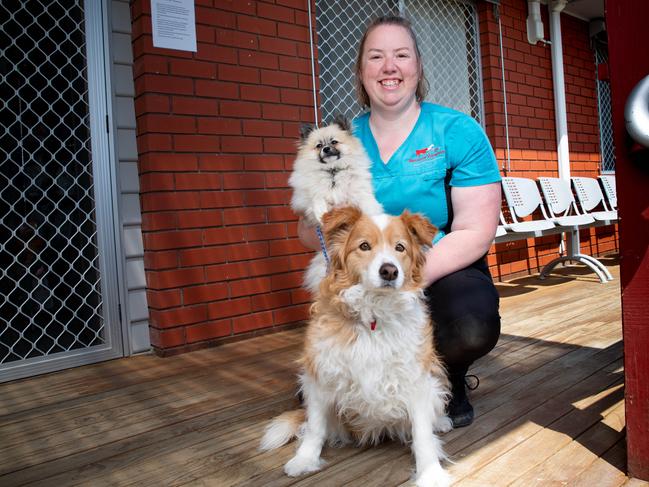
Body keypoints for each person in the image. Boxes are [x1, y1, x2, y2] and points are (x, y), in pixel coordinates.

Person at [297, 15, 502, 428]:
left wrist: (406, 281)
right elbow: (309, 234)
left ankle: (446, 379)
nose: (389, 67)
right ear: (361, 71)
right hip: (362, 271)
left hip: (437, 263)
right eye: (376, 56)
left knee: (470, 323)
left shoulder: (456, 130)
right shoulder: (337, 140)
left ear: (418, 67)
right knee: (320, 373)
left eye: (401, 55)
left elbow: (476, 232)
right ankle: (359, 384)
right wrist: (318, 212)